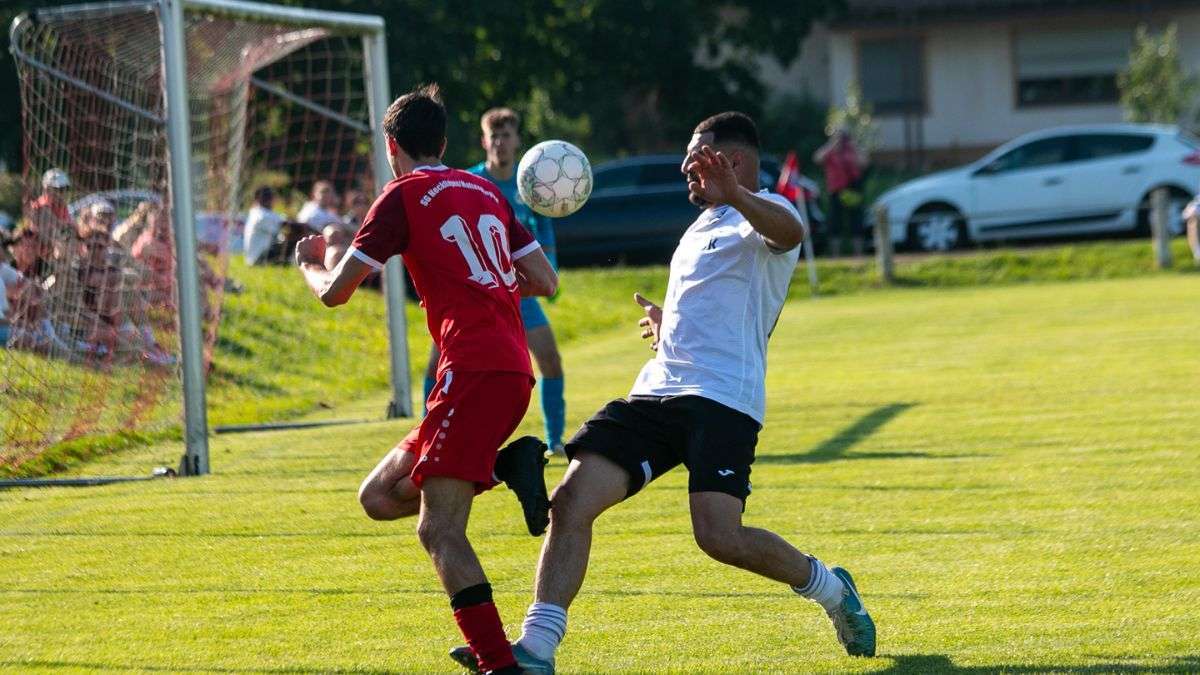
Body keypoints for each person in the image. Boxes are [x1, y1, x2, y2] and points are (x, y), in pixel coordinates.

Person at [453, 113, 877, 673]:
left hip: (724, 399)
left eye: (697, 158)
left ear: (734, 162)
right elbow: (713, 303)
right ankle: (537, 648)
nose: (684, 169)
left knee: (719, 537)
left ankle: (830, 589)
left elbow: (789, 233)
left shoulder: (768, 211)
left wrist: (738, 194)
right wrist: (668, 323)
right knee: (572, 502)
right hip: (658, 391)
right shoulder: (699, 227)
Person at [294, 84, 559, 675]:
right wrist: (489, 284)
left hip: (470, 372)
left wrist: (312, 263)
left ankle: (500, 663)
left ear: (393, 146)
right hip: (510, 369)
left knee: (439, 529)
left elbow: (337, 293)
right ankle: (506, 467)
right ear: (444, 142)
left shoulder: (401, 195)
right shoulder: (485, 190)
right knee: (378, 496)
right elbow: (544, 279)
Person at [421, 107, 568, 453]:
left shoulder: (529, 186)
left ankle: (555, 441)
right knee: (438, 361)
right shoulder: (466, 181)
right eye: (494, 136)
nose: (500, 142)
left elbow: (543, 232)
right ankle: (426, 431)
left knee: (550, 360)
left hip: (519, 291)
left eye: (507, 135)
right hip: (474, 291)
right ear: (484, 141)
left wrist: (551, 272)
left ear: (517, 141)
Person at [813, 128, 866, 257]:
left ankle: (858, 255)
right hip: (836, 191)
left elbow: (864, 163)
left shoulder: (852, 149)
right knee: (835, 222)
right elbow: (817, 158)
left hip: (853, 191)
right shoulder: (830, 150)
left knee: (856, 221)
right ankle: (835, 255)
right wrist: (832, 144)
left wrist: (855, 146)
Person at [243, 187, 286, 265]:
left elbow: (282, 221)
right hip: (258, 258)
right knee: (291, 238)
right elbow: (283, 227)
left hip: (261, 255)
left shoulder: (261, 212)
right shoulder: (260, 216)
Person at [1183, 194, 1200, 264]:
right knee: (1195, 242)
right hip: (1194, 226)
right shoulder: (1193, 206)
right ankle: (1198, 259)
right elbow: (1184, 215)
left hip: (1195, 226)